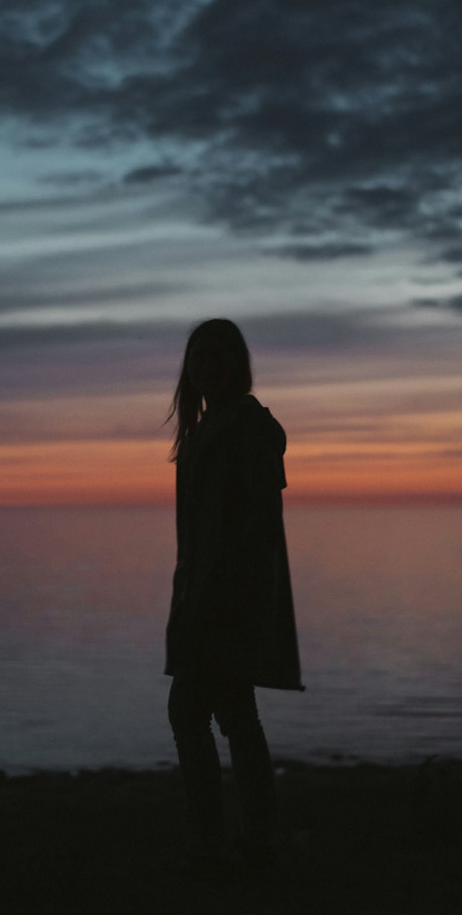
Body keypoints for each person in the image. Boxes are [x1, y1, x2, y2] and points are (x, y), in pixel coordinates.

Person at [164, 318, 302, 874]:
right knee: (232, 716)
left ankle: (216, 840)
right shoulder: (205, 430)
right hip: (204, 596)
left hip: (227, 602)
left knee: (195, 713)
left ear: (237, 365)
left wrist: (223, 599)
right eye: (198, 358)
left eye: (217, 357)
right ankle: (254, 838)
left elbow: (260, 523)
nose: (206, 367)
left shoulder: (247, 424)